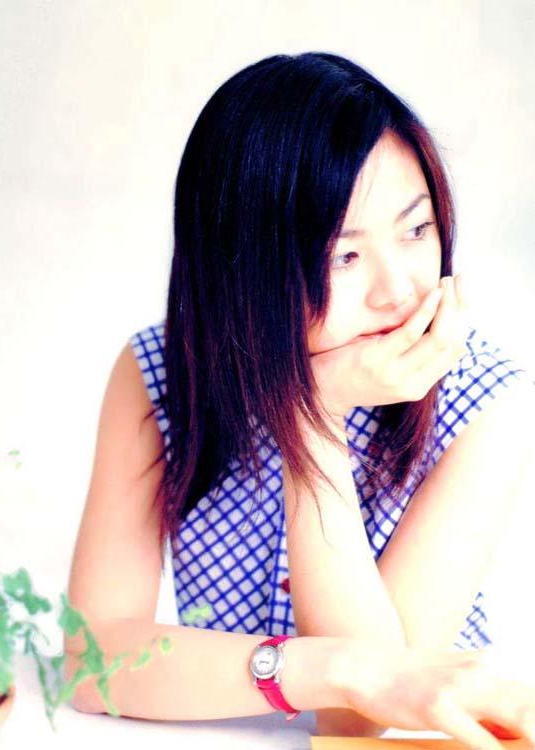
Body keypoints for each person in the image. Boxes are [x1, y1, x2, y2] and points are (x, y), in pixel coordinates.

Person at [64, 52, 535, 747]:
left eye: (415, 230)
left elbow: (362, 719)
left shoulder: (486, 395)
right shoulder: (165, 369)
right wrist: (331, 668)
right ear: (245, 267)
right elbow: (94, 664)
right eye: (343, 256)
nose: (397, 289)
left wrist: (313, 417)